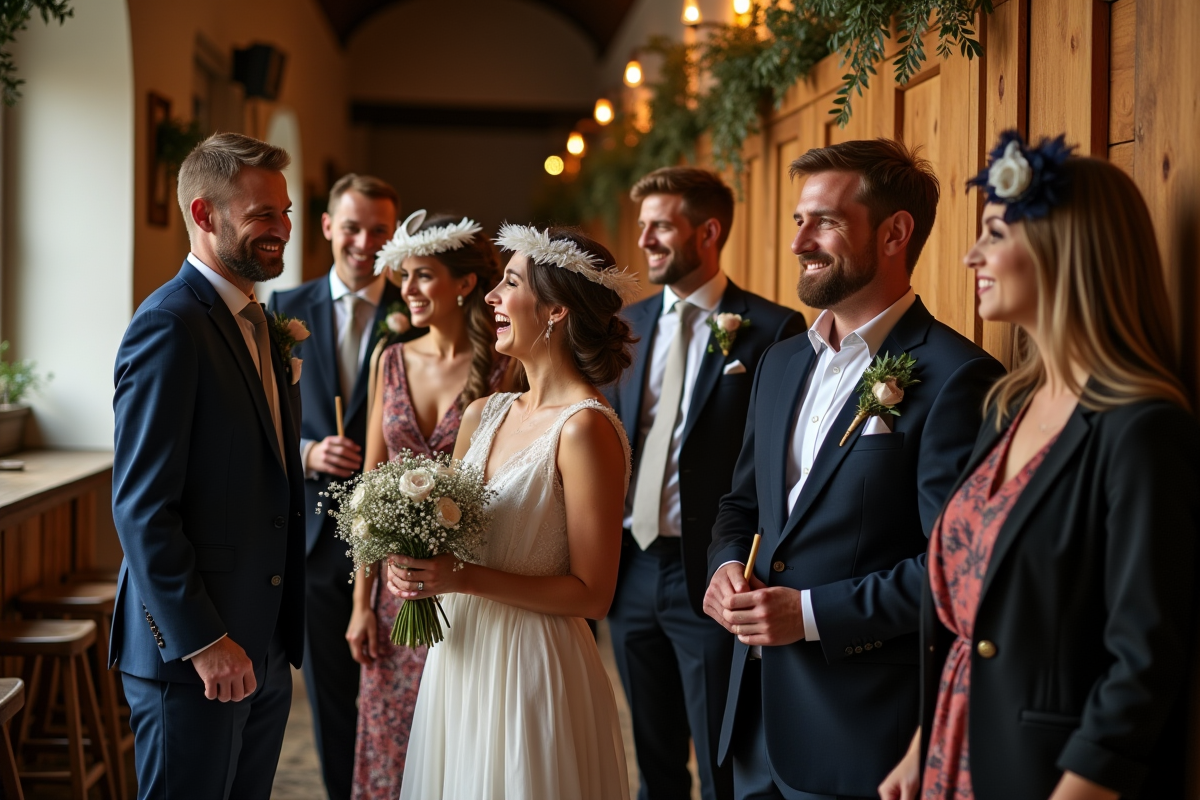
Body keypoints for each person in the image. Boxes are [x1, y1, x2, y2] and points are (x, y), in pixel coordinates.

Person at [878, 133, 1200, 800]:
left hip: (1050, 776)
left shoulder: (1142, 430)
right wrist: (921, 742)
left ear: (1066, 249)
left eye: (994, 233)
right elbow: (964, 607)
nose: (971, 255)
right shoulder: (1008, 407)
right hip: (953, 745)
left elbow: (1144, 660)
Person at [704, 139, 1005, 800]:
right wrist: (723, 568)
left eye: (826, 222)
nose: (799, 242)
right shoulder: (781, 363)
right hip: (748, 718)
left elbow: (959, 572)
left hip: (861, 736)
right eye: (797, 220)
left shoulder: (959, 379)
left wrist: (811, 614)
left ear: (895, 232)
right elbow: (743, 505)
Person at [388, 225, 639, 799]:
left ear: (555, 309)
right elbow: (446, 537)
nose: (492, 298)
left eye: (509, 283)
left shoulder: (584, 429)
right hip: (461, 655)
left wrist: (460, 577)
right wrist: (414, 561)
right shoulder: (483, 413)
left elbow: (593, 594)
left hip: (532, 665)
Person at [110, 132, 306, 799]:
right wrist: (203, 641)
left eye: (285, 212)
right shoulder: (170, 325)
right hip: (197, 655)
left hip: (264, 643)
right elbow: (142, 507)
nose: (281, 228)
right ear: (204, 215)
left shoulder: (257, 319)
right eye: (262, 215)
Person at [606, 166, 807, 800]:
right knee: (653, 760)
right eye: (642, 227)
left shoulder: (773, 328)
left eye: (661, 226)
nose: (646, 241)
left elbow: (775, 464)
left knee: (722, 763)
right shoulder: (627, 327)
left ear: (708, 231)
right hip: (630, 567)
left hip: (715, 575)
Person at [346, 210, 512, 800]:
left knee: (460, 755)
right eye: (405, 276)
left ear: (465, 283)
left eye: (423, 276)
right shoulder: (390, 360)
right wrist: (361, 603)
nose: (408, 290)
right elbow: (369, 486)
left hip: (470, 593)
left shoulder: (505, 367)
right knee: (390, 752)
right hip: (395, 598)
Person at [266, 172, 416, 800]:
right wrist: (306, 451)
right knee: (332, 699)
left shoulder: (415, 315)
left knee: (401, 699)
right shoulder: (280, 311)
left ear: (394, 239)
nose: (363, 242)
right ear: (326, 226)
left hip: (403, 539)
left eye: (378, 231)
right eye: (351, 227)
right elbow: (261, 421)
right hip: (318, 540)